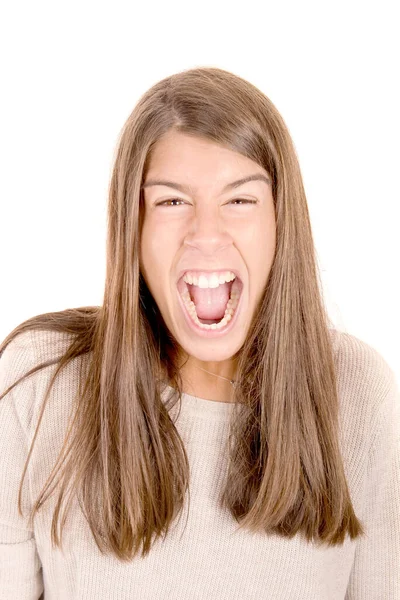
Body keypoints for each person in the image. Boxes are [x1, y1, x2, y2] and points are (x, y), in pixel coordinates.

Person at [0, 66, 399, 599]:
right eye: (171, 201)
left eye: (240, 200)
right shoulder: (39, 386)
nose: (206, 235)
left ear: (283, 223)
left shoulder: (357, 391)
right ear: (132, 228)